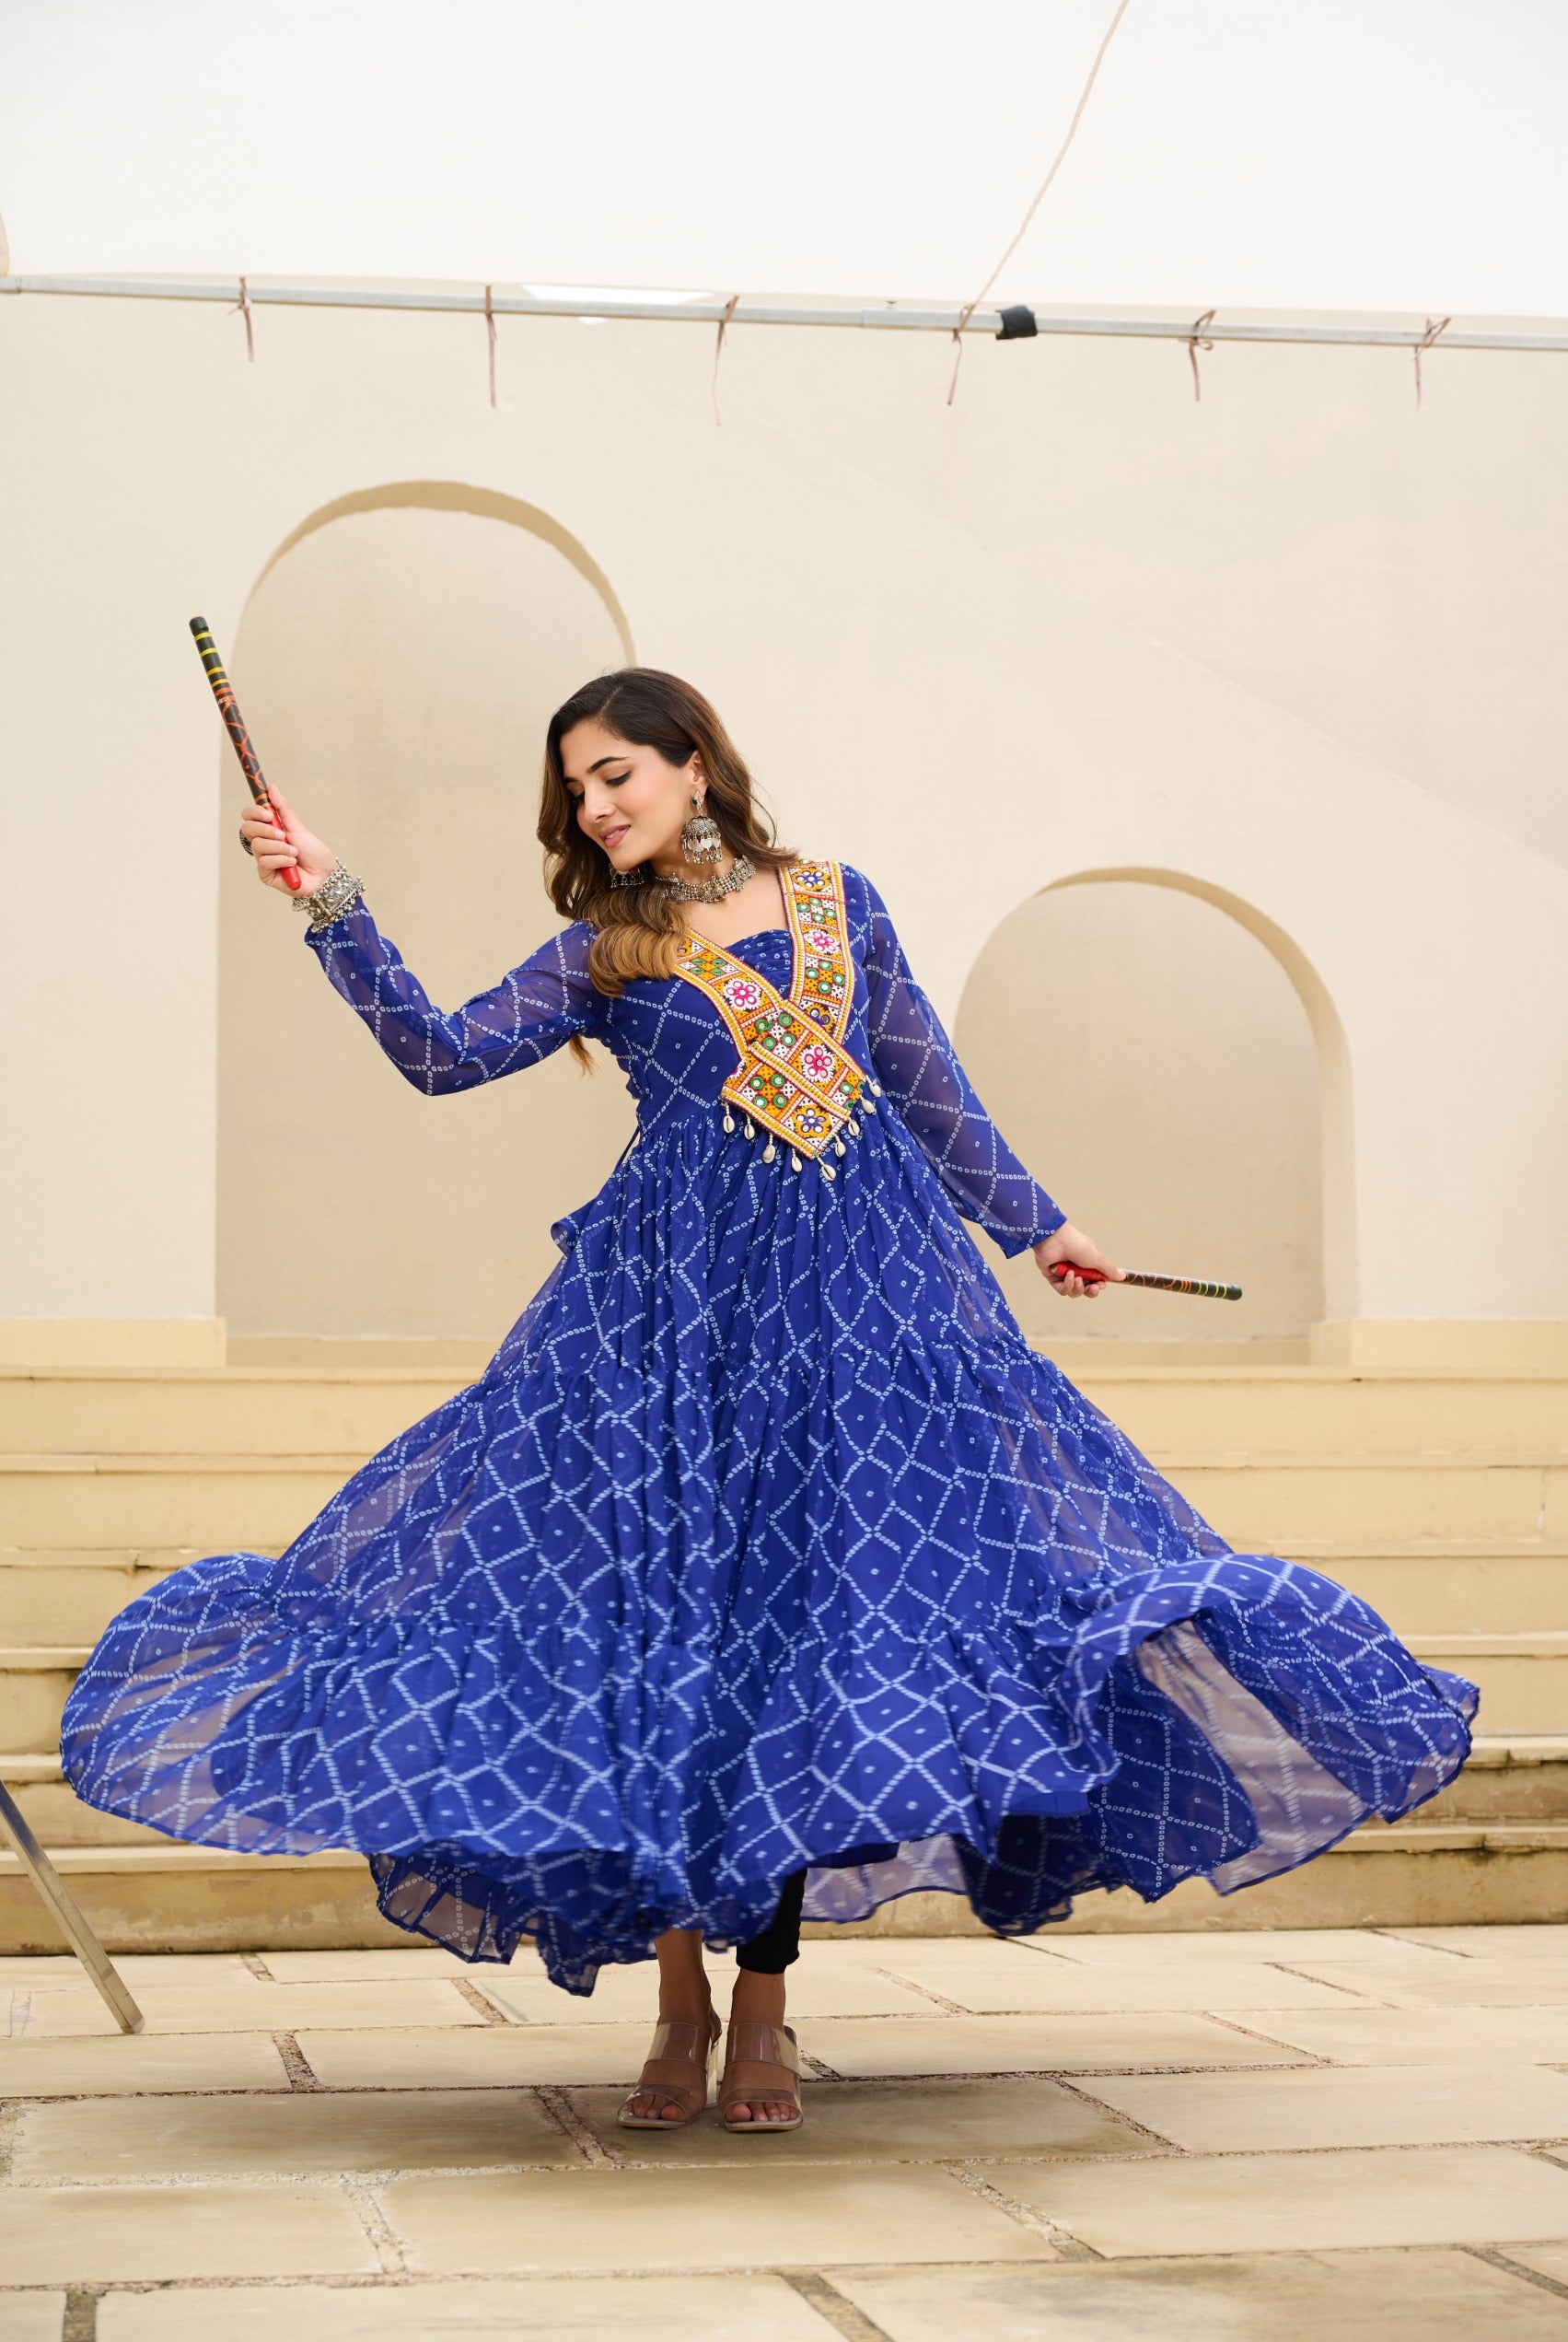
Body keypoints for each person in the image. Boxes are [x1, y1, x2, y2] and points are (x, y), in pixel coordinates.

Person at [63, 668, 1476, 2135]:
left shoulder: (836, 899)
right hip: (662, 1327)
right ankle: (677, 2004)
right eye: (576, 791)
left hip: (862, 1315)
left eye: (615, 773)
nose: (595, 807)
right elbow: (438, 1052)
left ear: (693, 766)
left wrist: (1039, 1224)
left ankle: (767, 2010)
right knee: (669, 1644)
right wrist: (329, 898)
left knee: (806, 1648)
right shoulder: (605, 948)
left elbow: (921, 1075)